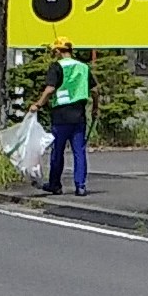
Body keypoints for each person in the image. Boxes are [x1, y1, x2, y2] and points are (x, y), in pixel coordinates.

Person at [29, 37, 99, 197]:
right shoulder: (83, 67)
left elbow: (50, 89)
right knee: (79, 151)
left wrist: (38, 105)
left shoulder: (56, 67)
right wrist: (95, 107)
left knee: (57, 151)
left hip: (61, 115)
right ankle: (80, 186)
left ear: (58, 51)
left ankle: (55, 185)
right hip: (79, 114)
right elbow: (95, 90)